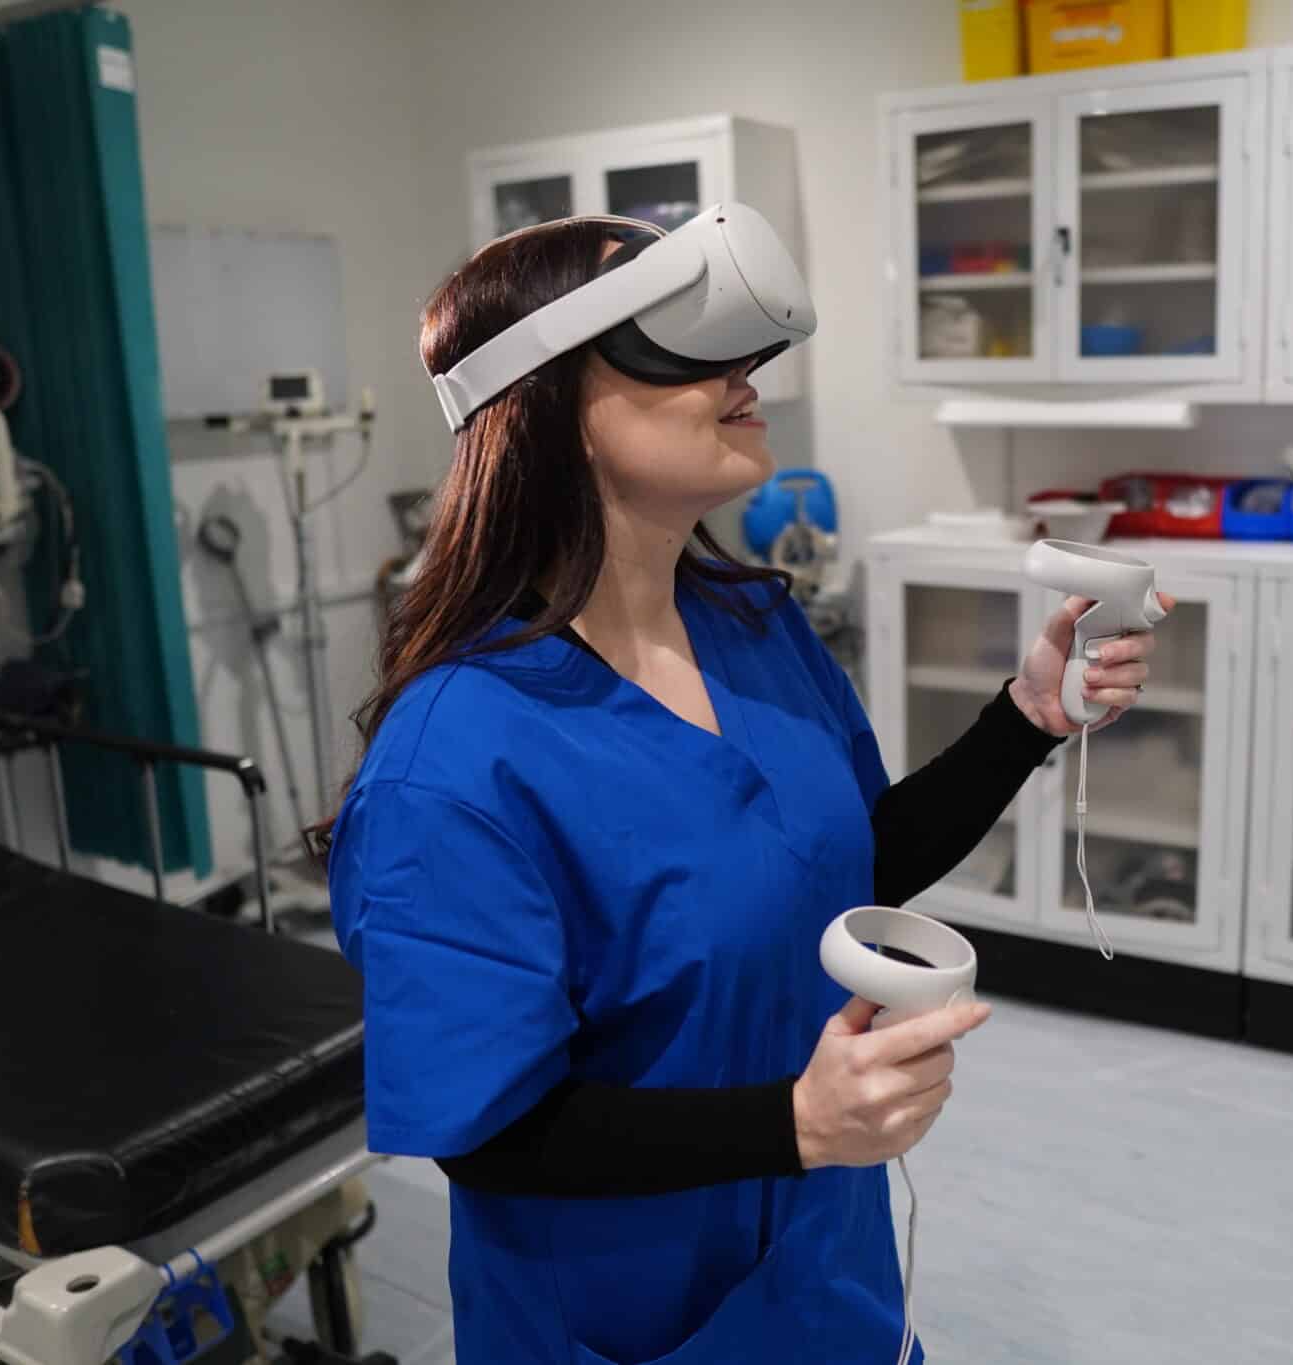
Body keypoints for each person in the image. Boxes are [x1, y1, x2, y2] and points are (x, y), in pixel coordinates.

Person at [325, 214, 1171, 1364]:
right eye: (680, 345)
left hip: (824, 1275)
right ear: (545, 406)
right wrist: (797, 1123)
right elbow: (488, 1134)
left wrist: (1026, 716)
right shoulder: (458, 763)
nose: (745, 377)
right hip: (628, 1317)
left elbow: (844, 862)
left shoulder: (752, 628)